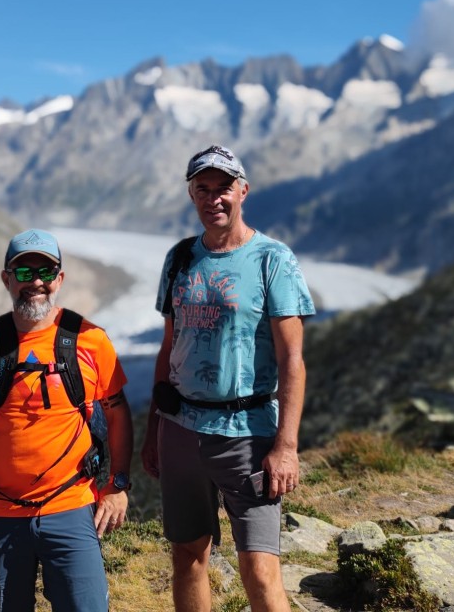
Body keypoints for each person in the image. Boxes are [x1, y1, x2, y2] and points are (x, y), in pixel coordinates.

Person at [141, 145, 315, 612]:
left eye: (224, 188)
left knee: (260, 569)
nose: (213, 198)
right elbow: (169, 348)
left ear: (243, 191)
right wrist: (154, 429)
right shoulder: (180, 258)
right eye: (203, 189)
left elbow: (292, 360)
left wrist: (286, 446)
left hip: (248, 433)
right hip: (180, 429)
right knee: (187, 557)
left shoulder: (273, 259)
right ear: (191, 194)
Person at [0, 229, 133, 612]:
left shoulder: (91, 341)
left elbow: (118, 411)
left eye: (46, 271)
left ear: (60, 278)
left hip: (71, 507)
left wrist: (118, 485)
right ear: (6, 279)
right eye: (24, 272)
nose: (35, 282)